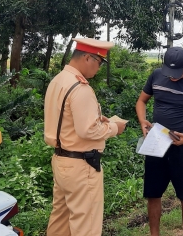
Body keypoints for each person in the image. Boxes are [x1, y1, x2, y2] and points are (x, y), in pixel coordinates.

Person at [44, 38, 126, 236]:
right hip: (82, 168)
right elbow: (87, 131)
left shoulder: (58, 80)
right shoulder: (81, 88)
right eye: (99, 62)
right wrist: (115, 127)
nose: (98, 68)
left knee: (60, 223)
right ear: (87, 57)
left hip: (62, 161)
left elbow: (68, 121)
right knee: (86, 226)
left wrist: (98, 120)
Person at [135, 47, 183, 236]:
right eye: (170, 73)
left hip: (181, 147)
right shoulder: (156, 76)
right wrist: (143, 120)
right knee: (153, 194)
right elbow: (141, 101)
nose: (173, 78)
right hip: (156, 144)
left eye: (177, 74)